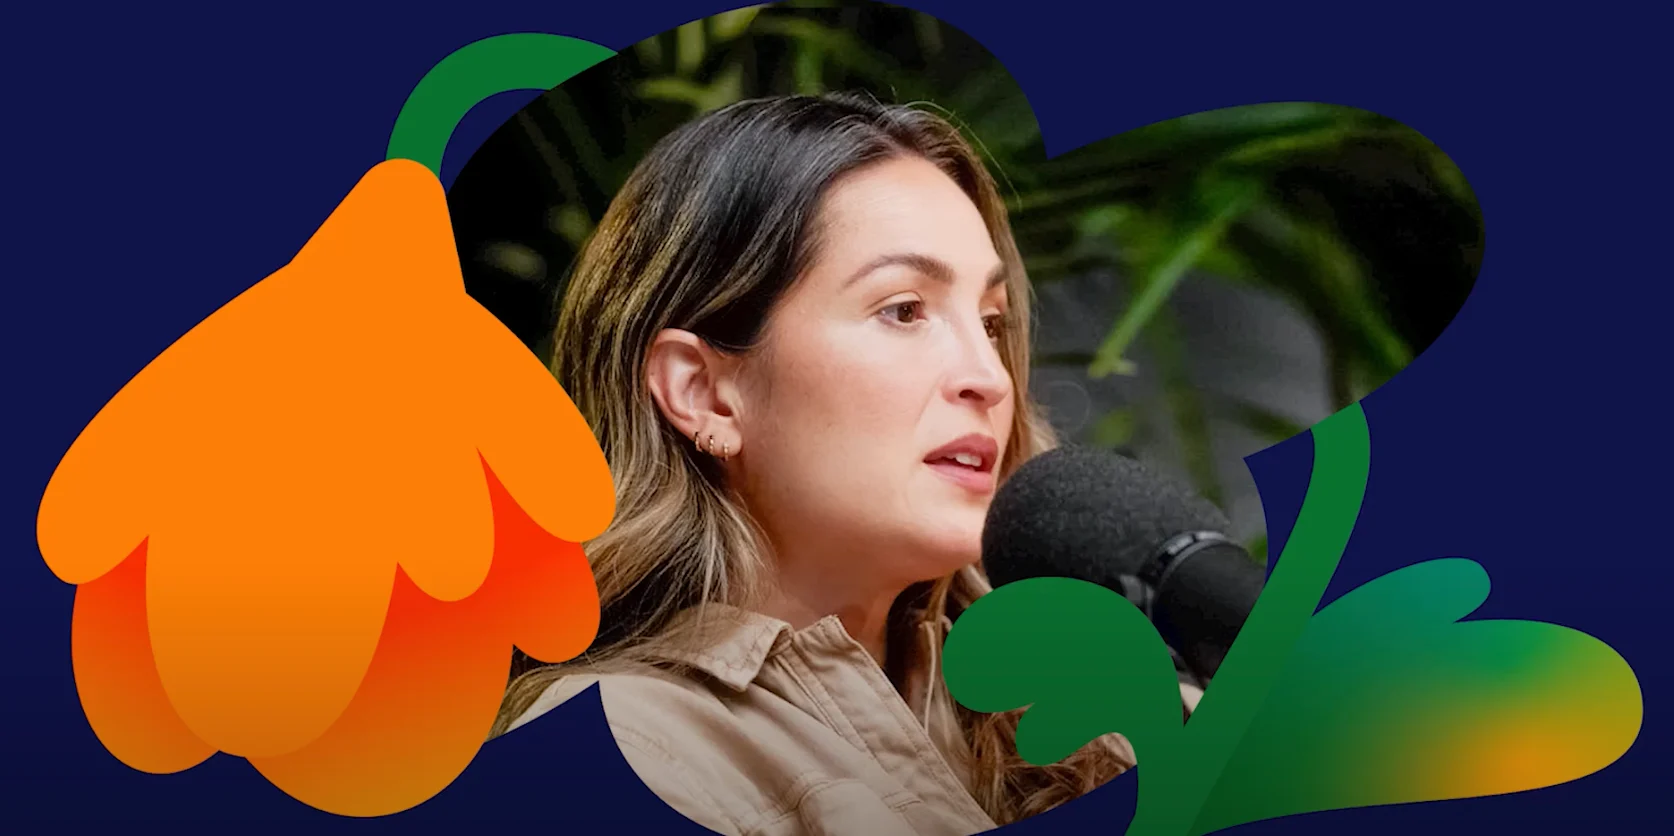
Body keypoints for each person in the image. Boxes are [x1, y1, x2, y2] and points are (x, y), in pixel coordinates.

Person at [493, 92, 1195, 835]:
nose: (989, 377)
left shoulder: (1085, 705)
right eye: (904, 309)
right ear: (704, 394)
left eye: (991, 323)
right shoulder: (616, 751)